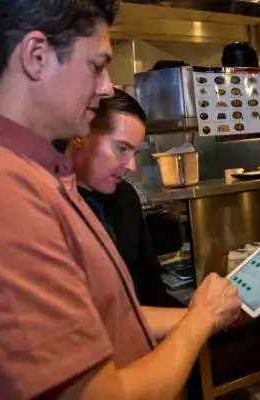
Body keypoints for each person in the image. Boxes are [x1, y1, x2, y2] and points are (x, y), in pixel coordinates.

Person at [0, 2, 241, 400]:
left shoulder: (38, 171)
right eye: (97, 65)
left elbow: (110, 320)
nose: (108, 87)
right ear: (37, 56)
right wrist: (201, 319)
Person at [61, 88, 181, 308]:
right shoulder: (50, 204)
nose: (132, 166)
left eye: (134, 153)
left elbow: (151, 290)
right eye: (122, 148)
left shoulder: (125, 196)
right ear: (80, 135)